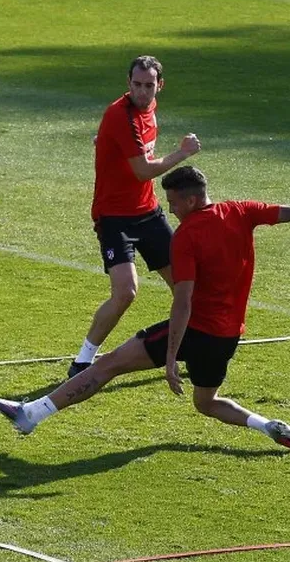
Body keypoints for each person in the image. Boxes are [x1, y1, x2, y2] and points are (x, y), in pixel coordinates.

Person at [0, 166, 290, 453]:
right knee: (206, 402)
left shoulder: (186, 237)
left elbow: (182, 302)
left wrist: (170, 359)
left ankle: (30, 415)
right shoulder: (241, 212)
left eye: (172, 203)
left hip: (195, 329)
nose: (170, 211)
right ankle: (266, 426)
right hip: (228, 336)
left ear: (190, 199)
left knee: (107, 365)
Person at [68, 56, 202, 379]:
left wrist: (105, 144)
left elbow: (127, 149)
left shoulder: (147, 109)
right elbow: (142, 170)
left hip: (148, 213)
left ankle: (189, 350)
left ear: (160, 86)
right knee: (126, 292)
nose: (143, 92)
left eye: (149, 86)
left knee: (186, 287)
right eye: (137, 85)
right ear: (128, 84)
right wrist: (182, 153)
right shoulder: (120, 115)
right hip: (115, 218)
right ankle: (83, 361)